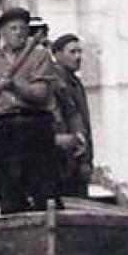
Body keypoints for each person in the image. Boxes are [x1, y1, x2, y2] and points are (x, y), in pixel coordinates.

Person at [0, 7, 61, 214]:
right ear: (2, 33)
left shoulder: (40, 55)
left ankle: (49, 225)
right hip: (6, 129)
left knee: (43, 190)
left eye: (23, 28)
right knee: (9, 191)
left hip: (35, 126)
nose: (19, 32)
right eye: (13, 28)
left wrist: (14, 86)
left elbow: (41, 94)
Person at [49, 33, 94, 199]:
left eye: (80, 52)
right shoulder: (54, 83)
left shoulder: (75, 83)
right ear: (58, 55)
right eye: (72, 52)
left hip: (77, 157)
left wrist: (86, 161)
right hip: (62, 160)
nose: (78, 57)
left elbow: (83, 123)